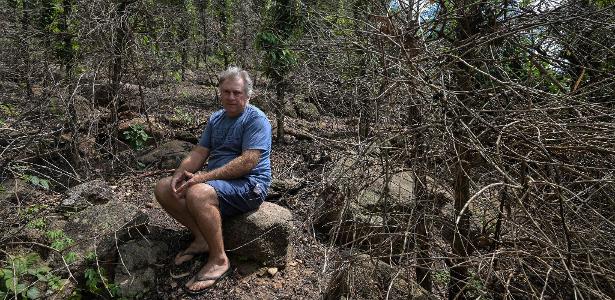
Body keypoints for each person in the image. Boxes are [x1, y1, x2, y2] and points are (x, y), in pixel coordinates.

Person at [154, 66, 272, 294]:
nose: (231, 97)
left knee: (198, 192)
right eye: (226, 91)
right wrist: (180, 173)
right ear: (220, 92)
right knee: (164, 188)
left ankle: (219, 259)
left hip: (250, 185)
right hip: (218, 184)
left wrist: (202, 178)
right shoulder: (217, 118)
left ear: (247, 95)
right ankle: (201, 239)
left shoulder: (256, 120)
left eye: (237, 92)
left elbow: (248, 162)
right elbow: (199, 152)